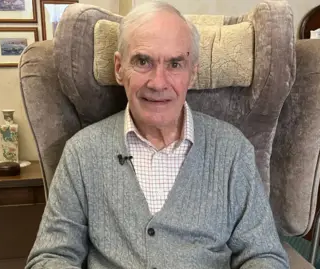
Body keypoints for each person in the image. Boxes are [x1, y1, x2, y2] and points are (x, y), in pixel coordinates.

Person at [25, 2, 289, 269]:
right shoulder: (82, 153)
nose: (158, 82)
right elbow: (49, 258)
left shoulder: (232, 151)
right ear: (119, 68)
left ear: (192, 74)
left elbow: (264, 255)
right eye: (143, 61)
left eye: (175, 64)